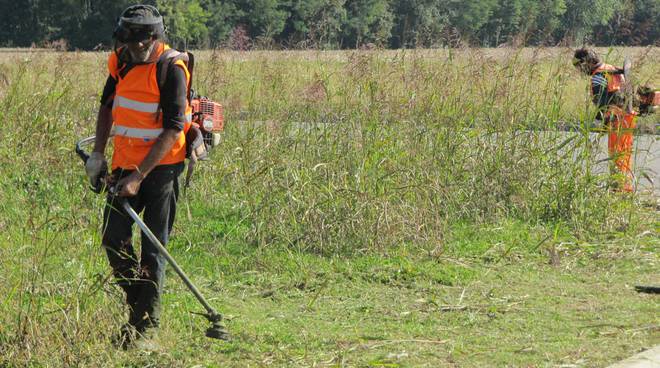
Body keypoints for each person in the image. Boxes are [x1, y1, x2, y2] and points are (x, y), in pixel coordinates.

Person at [84, 4, 192, 348]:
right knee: (113, 239)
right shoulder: (121, 61)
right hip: (123, 165)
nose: (138, 48)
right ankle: (139, 305)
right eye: (131, 42)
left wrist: (139, 177)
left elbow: (175, 127)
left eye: (144, 42)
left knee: (153, 248)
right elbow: (106, 106)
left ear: (155, 37)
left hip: (162, 169)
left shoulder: (171, 68)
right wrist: (99, 155)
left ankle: (146, 325)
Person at [573, 48, 636, 192]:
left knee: (616, 155)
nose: (580, 70)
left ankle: (618, 189)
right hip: (627, 117)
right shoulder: (612, 68)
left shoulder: (597, 77)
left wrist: (599, 121)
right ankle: (625, 187)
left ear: (587, 62)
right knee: (625, 154)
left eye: (579, 66)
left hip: (616, 120)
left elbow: (602, 103)